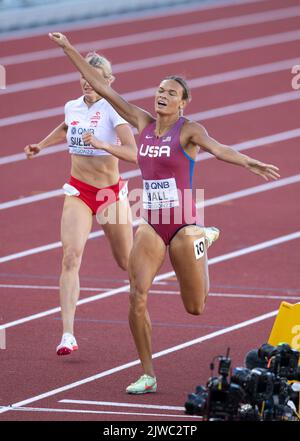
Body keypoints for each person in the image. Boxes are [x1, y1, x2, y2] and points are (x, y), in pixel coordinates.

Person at [49, 32, 280, 393]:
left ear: (183, 103)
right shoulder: (141, 122)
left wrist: (251, 163)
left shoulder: (189, 130)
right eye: (160, 89)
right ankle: (147, 373)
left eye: (171, 92)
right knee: (136, 295)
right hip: (153, 224)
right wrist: (67, 49)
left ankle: (203, 240)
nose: (162, 95)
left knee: (196, 307)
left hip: (185, 224)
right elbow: (99, 85)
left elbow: (220, 150)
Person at [24, 51, 137, 356]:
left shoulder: (114, 109)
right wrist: (41, 145)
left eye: (95, 78)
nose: (88, 82)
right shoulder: (72, 106)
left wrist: (102, 144)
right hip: (78, 191)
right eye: (84, 76)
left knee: (126, 262)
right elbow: (66, 127)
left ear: (108, 80)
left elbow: (132, 152)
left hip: (110, 194)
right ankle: (67, 334)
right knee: (70, 257)